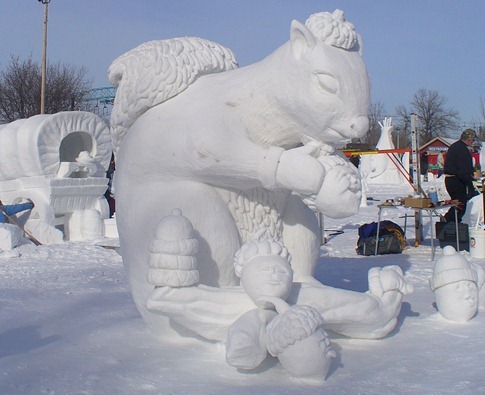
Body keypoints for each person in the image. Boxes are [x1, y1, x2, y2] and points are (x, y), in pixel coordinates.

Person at [443, 129, 479, 222]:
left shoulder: (454, 146)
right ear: (469, 139)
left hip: (450, 179)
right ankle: (449, 223)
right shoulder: (462, 150)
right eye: (473, 140)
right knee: (460, 205)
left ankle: (451, 223)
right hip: (457, 181)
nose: (473, 142)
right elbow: (463, 170)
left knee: (457, 203)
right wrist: (470, 185)